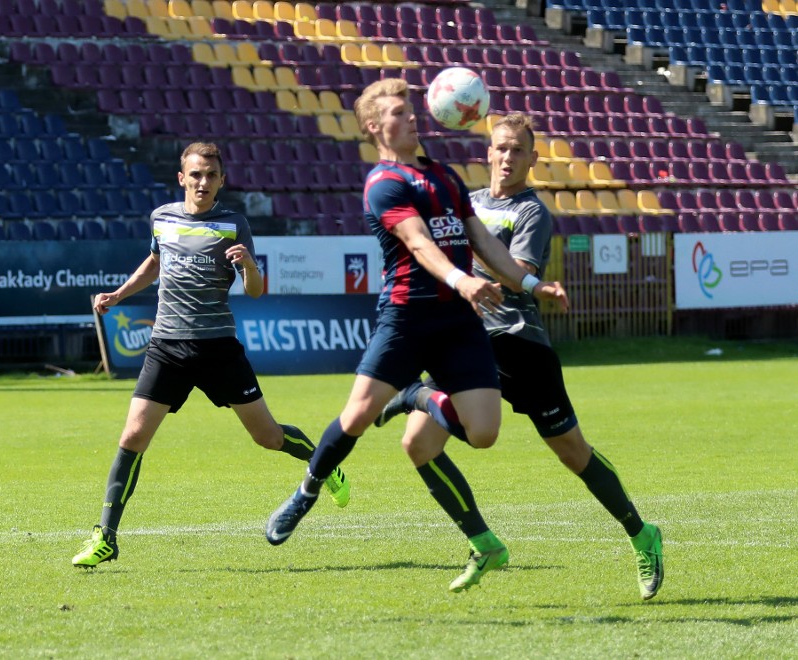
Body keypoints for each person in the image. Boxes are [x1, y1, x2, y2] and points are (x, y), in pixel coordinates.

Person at [264, 80, 569, 592]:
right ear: (373, 127)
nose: (412, 119)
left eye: (411, 111)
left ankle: (415, 396)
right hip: (407, 318)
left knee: (484, 433)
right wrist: (463, 280)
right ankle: (307, 490)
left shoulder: (445, 176)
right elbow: (420, 244)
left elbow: (486, 244)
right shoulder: (383, 183)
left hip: (457, 324)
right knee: (357, 415)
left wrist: (535, 284)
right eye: (399, 114)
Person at [376, 113, 664, 600]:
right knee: (418, 447)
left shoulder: (531, 212)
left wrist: (468, 239)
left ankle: (642, 534)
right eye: (501, 148)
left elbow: (520, 272)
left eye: (517, 150)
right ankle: (484, 542)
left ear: (532, 159)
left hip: (518, 342)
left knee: (573, 452)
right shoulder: (465, 202)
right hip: (469, 339)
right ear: (488, 152)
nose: (507, 157)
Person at [72, 142, 350, 568]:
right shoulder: (161, 218)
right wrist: (120, 294)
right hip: (166, 346)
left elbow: (255, 290)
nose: (203, 182)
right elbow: (154, 261)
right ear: (182, 178)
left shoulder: (233, 224)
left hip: (218, 347)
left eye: (211, 175)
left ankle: (323, 465)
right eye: (196, 174)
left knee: (268, 437)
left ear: (221, 180)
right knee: (131, 438)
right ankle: (105, 537)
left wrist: (250, 266)